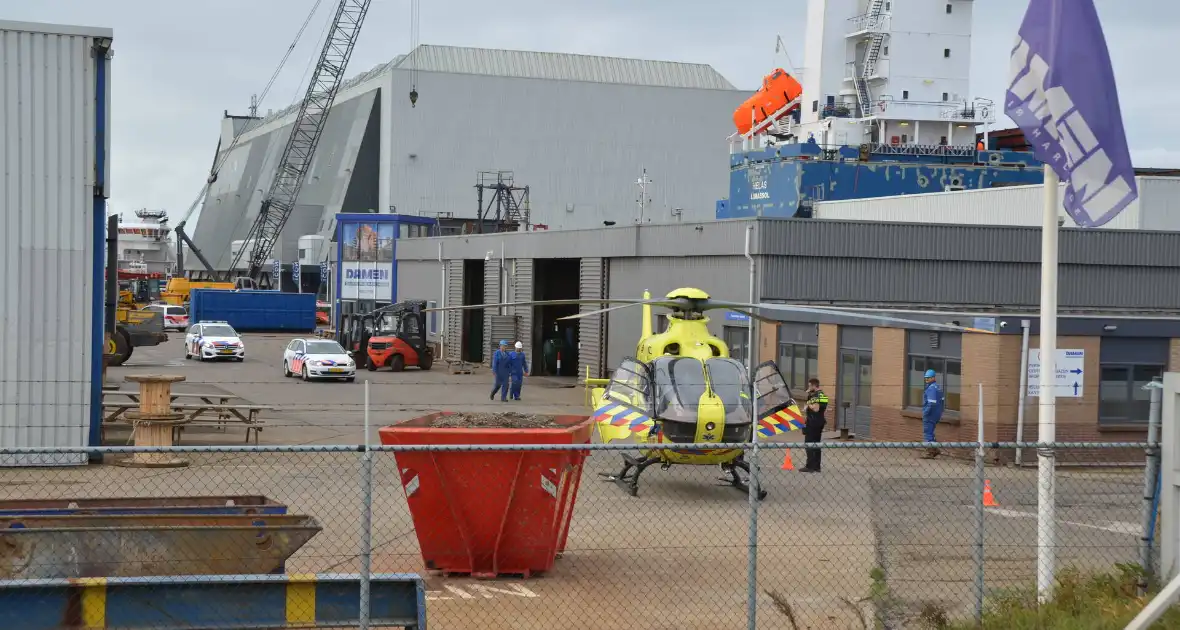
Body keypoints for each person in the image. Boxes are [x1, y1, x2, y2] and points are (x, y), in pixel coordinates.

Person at [801, 378, 828, 473]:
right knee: (816, 444)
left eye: (809, 386)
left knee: (809, 443)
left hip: (813, 423)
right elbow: (822, 408)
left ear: (813, 386)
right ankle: (817, 466)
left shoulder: (816, 396)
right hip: (819, 422)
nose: (808, 387)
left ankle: (810, 466)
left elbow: (816, 409)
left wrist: (808, 406)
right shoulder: (822, 395)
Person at [921, 369, 945, 459]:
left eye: (928, 378)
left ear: (933, 378)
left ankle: (930, 452)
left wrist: (925, 413)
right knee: (931, 432)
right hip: (936, 414)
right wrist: (940, 413)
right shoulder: (938, 388)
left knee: (928, 433)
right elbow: (942, 401)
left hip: (930, 415)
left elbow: (931, 403)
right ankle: (935, 449)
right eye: (926, 378)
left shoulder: (931, 389)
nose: (926, 380)